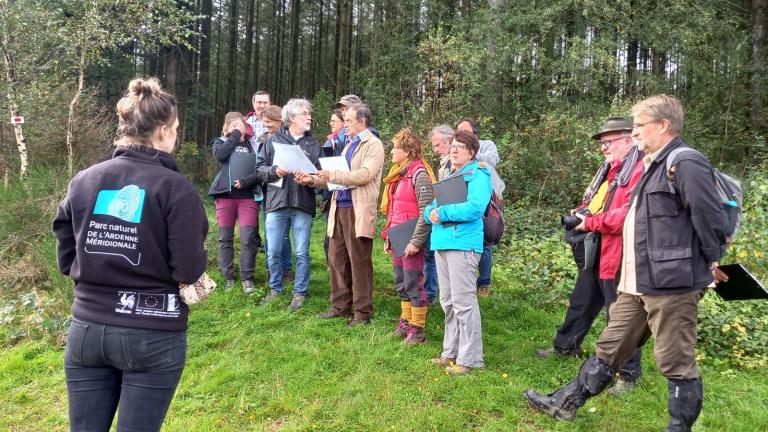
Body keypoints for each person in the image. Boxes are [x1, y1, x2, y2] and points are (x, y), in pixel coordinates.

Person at [524, 95, 728, 432]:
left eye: (639, 127)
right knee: (610, 346)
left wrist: (711, 260)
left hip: (672, 284)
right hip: (639, 280)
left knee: (676, 361)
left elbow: (709, 218)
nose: (634, 134)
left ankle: (679, 427)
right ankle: (566, 403)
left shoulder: (686, 163)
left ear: (663, 126)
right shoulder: (650, 165)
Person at [52, 77, 208, 431]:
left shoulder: (86, 179)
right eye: (177, 129)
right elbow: (188, 265)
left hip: (87, 327)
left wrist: (80, 267)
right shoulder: (176, 188)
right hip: (152, 332)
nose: (177, 136)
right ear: (164, 131)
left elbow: (62, 231)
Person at [534, 116, 645, 394]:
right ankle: (565, 347)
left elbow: (628, 216)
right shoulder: (610, 171)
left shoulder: (639, 170)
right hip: (598, 249)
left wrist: (591, 222)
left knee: (621, 315)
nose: (604, 148)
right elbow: (597, 203)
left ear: (629, 140)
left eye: (609, 142)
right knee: (581, 302)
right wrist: (581, 212)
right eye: (603, 143)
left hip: (621, 254)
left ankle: (627, 375)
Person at [297, 104, 385, 327]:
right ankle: (340, 306)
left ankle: (362, 312)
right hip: (338, 207)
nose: (345, 125)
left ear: (362, 122)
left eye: (348, 121)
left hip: (358, 209)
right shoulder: (349, 145)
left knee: (359, 261)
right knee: (336, 258)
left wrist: (333, 174)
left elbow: (364, 175)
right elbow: (336, 178)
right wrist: (313, 180)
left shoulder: (373, 145)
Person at [424, 130, 492, 375]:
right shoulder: (450, 176)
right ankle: (449, 352)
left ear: (471, 152)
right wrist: (429, 213)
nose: (453, 150)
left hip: (463, 244)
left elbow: (475, 208)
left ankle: (471, 359)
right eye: (452, 145)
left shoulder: (479, 174)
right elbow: (433, 206)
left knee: (464, 303)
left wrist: (442, 214)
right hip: (442, 243)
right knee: (448, 302)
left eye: (459, 147)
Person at [254, 98, 321, 311]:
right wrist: (275, 171)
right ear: (291, 117)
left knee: (302, 252)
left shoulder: (313, 144)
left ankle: (299, 293)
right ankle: (275, 289)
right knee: (273, 250)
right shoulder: (273, 140)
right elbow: (259, 169)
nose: (309, 117)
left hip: (303, 203)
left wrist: (310, 178)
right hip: (277, 202)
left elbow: (321, 174)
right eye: (304, 114)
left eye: (309, 113)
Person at [381, 128, 436, 344]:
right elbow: (395, 211)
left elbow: (426, 212)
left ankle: (418, 330)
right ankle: (405, 321)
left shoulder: (420, 174)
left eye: (396, 148)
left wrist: (416, 241)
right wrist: (389, 236)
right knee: (401, 282)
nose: (392, 152)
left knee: (414, 283)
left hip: (412, 240)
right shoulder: (400, 174)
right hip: (398, 237)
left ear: (407, 151)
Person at [208, 112, 262, 293]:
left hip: (247, 197)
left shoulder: (254, 145)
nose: (239, 130)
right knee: (225, 238)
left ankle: (247, 278)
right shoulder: (220, 143)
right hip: (225, 196)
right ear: (226, 129)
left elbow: (261, 169)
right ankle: (228, 277)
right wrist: (234, 136)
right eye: (234, 127)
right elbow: (221, 156)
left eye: (241, 126)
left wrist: (247, 181)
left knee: (248, 238)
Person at [456, 118, 498, 297]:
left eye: (465, 130)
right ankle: (468, 280)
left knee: (485, 240)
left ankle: (484, 283)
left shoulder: (487, 145)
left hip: (487, 197)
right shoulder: (457, 148)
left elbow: (493, 160)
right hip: (463, 195)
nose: (462, 134)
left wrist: (472, 152)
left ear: (474, 131)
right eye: (459, 131)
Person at [259, 105, 294, 282]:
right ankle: (272, 271)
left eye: (269, 123)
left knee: (284, 235)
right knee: (270, 234)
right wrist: (273, 171)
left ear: (279, 121)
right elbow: (260, 168)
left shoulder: (293, 139)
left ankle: (286, 269)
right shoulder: (268, 141)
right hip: (272, 193)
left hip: (290, 194)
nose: (266, 126)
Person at [422, 124, 455, 305]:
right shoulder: (443, 165)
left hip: (454, 225)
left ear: (449, 141)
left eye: (438, 145)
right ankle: (439, 296)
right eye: (434, 146)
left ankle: (434, 294)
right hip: (441, 220)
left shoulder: (458, 165)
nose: (435, 150)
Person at [320, 108, 347, 263]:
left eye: (334, 120)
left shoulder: (346, 139)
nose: (330, 123)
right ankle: (332, 265)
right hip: (330, 191)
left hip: (344, 188)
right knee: (330, 231)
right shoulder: (329, 140)